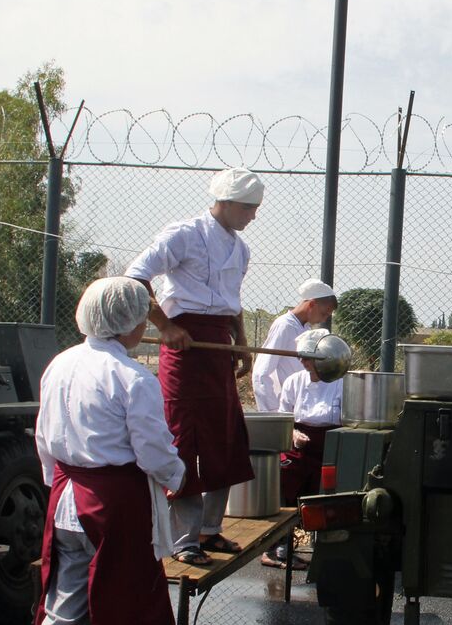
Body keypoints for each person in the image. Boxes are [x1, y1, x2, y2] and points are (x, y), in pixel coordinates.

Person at [0, 277, 194, 625]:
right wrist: (180, 475)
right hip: (115, 508)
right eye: (143, 317)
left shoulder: (60, 364)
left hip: (67, 500)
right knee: (141, 614)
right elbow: (152, 452)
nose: (146, 325)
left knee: (62, 616)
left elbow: (44, 439)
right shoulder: (132, 378)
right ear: (129, 322)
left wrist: (57, 485)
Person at [125, 168, 262, 566]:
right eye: (248, 208)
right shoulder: (183, 234)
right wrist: (164, 326)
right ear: (227, 201)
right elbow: (136, 276)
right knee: (184, 439)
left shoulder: (241, 249)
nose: (253, 216)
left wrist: (241, 343)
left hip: (217, 343)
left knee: (223, 436)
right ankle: (183, 540)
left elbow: (232, 301)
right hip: (185, 347)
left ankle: (210, 529)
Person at [262, 328, 344, 569]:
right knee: (285, 479)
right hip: (299, 444)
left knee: (322, 492)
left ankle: (325, 547)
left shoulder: (342, 383)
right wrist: (293, 434)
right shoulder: (294, 381)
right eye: (302, 357)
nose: (303, 362)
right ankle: (279, 545)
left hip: (330, 444)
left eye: (309, 358)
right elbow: (285, 416)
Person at [251, 278, 339, 412]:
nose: (323, 319)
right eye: (323, 314)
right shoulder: (285, 326)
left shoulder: (305, 330)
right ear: (311, 304)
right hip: (281, 407)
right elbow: (262, 372)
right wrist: (272, 412)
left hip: (296, 404)